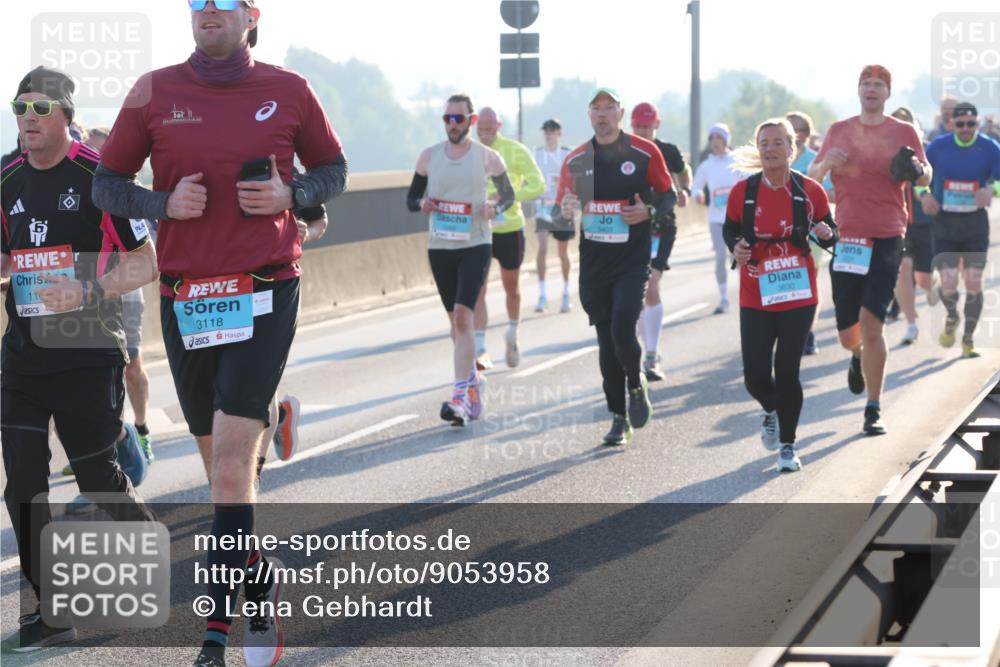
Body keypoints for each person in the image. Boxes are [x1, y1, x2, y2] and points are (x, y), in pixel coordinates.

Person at [92, 2, 348, 665]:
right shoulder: (153, 89)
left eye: (223, 0)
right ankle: (259, 585)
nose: (207, 9)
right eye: (197, 0)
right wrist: (160, 204)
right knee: (223, 479)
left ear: (250, 14)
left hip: (264, 289)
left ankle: (216, 634)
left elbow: (334, 173)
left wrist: (293, 195)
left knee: (233, 467)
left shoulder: (289, 89)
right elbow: (106, 184)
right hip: (186, 298)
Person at [1, 66, 158, 651]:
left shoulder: (102, 177)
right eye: (20, 108)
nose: (27, 120)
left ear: (66, 115)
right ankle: (53, 610)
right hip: (22, 353)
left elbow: (146, 265)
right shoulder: (5, 178)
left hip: (89, 347)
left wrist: (86, 290)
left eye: (40, 110)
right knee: (23, 480)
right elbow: (6, 260)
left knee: (97, 475)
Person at [809, 65, 931, 435]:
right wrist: (826, 163)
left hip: (888, 236)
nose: (872, 89)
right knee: (849, 333)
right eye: (867, 84)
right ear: (859, 91)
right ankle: (856, 355)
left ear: (887, 93)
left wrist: (916, 170)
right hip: (848, 239)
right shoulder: (839, 130)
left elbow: (927, 174)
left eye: (879, 84)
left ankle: (873, 407)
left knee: (872, 322)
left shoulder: (903, 131)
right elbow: (812, 178)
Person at [553, 87, 676, 446]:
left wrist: (649, 211)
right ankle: (618, 418)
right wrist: (564, 210)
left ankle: (636, 386)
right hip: (594, 263)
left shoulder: (643, 152)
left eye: (609, 108)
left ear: (620, 114)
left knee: (624, 329)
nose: (603, 115)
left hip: (632, 259)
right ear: (589, 115)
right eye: (596, 109)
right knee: (607, 344)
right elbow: (560, 214)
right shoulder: (576, 160)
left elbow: (668, 195)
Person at [725, 118, 838, 472]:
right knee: (755, 377)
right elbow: (730, 229)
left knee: (787, 371)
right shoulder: (744, 192)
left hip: (798, 292)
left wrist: (825, 231)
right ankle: (773, 409)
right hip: (756, 292)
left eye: (778, 143)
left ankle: (788, 446)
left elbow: (830, 229)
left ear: (792, 149)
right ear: (758, 151)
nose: (770, 149)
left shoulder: (809, 190)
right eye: (764, 143)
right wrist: (737, 247)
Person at [406, 93, 514, 426]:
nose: (453, 125)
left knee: (465, 317)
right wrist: (423, 204)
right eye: (448, 119)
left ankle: (458, 396)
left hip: (476, 243)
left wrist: (494, 207)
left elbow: (508, 195)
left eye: (459, 119)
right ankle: (473, 384)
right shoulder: (429, 157)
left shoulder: (487, 157)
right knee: (456, 324)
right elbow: (411, 199)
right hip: (440, 246)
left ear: (471, 120)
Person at [921, 101, 1000, 358]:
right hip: (945, 224)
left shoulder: (990, 148)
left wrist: (993, 189)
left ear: (977, 123)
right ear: (951, 124)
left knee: (974, 282)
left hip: (975, 224)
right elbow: (917, 179)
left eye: (971, 124)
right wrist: (924, 195)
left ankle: (968, 340)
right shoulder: (938, 147)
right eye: (961, 124)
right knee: (949, 282)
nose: (966, 129)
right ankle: (953, 316)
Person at [473, 107, 545, 370]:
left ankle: (513, 333)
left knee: (511, 287)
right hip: (479, 230)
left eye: (490, 129)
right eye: (481, 129)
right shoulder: (468, 151)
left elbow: (538, 185)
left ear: (499, 126)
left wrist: (508, 198)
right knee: (477, 290)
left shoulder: (515, 150)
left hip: (510, 228)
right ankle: (480, 348)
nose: (485, 134)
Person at [629, 101, 690, 381]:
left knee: (651, 284)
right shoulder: (623, 150)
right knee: (636, 291)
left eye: (647, 126)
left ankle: (651, 356)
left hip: (662, 226)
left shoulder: (667, 150)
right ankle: (643, 347)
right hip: (631, 227)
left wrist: (684, 189)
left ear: (657, 124)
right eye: (638, 126)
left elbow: (682, 170)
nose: (642, 131)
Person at [786, 111, 834, 355]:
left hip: (812, 232)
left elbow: (830, 192)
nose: (794, 134)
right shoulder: (773, 159)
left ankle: (809, 332)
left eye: (798, 130)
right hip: (781, 233)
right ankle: (787, 330)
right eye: (789, 129)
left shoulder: (815, 161)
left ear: (806, 134)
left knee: (809, 282)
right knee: (786, 282)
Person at [888, 106, 937, 346]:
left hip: (923, 222)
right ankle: (911, 323)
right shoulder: (882, 151)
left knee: (925, 278)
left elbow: (925, 180)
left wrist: (924, 193)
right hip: (897, 223)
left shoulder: (925, 150)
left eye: (905, 123)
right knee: (903, 269)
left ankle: (934, 289)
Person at [692, 123, 742, 314]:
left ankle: (746, 292)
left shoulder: (737, 161)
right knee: (720, 257)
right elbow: (696, 186)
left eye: (719, 138)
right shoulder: (706, 165)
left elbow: (749, 179)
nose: (715, 142)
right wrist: (697, 194)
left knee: (737, 257)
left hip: (736, 219)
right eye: (712, 139)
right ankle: (723, 299)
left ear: (726, 140)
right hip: (716, 219)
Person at [533, 119, 574, 314]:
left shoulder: (567, 154)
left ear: (559, 133)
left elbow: (577, 179)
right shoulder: (537, 154)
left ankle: (566, 292)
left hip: (561, 207)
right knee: (542, 248)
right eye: (546, 131)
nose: (548, 134)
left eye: (552, 131)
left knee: (562, 252)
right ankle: (542, 295)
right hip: (543, 206)